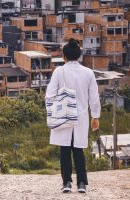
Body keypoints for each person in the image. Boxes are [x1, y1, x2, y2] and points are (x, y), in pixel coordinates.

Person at [46, 38, 101, 193]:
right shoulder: (88, 73)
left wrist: (54, 110)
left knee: (64, 149)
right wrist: (95, 116)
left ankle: (66, 183)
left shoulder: (59, 71)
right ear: (79, 55)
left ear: (64, 56)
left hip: (63, 114)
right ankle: (82, 183)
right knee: (78, 149)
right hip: (82, 115)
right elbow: (94, 97)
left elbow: (49, 94)